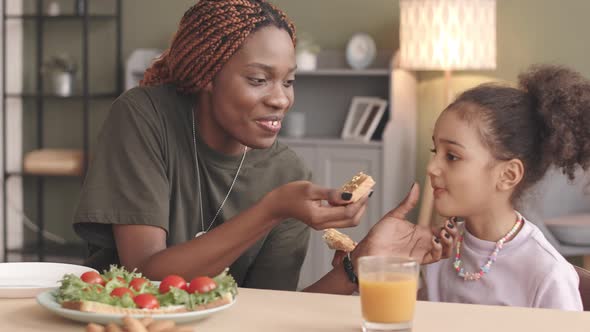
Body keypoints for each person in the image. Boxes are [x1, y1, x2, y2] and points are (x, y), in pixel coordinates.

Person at [73, 0, 454, 293]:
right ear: (206, 74)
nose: (281, 100)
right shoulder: (144, 116)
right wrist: (272, 209)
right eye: (258, 80)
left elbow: (272, 310)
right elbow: (145, 275)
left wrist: (359, 265)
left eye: (288, 81)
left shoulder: (288, 175)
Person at [419, 64, 589, 310]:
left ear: (508, 175)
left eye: (452, 156)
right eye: (435, 151)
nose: (432, 167)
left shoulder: (547, 275)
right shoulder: (439, 250)